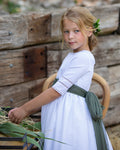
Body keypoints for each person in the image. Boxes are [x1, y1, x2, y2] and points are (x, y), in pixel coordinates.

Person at [8, 6, 113, 150]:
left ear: (89, 31)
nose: (70, 36)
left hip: (70, 118)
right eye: (66, 31)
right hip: (60, 113)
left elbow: (56, 91)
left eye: (76, 31)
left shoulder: (84, 58)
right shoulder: (73, 55)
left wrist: (25, 110)